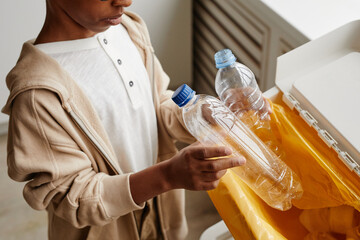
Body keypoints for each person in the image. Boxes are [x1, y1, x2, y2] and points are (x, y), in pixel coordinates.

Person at [1, 0, 246, 239]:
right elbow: (72, 197)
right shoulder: (37, 94)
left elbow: (156, 104)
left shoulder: (128, 29)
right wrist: (166, 177)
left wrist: (200, 114)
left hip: (163, 216)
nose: (126, 2)